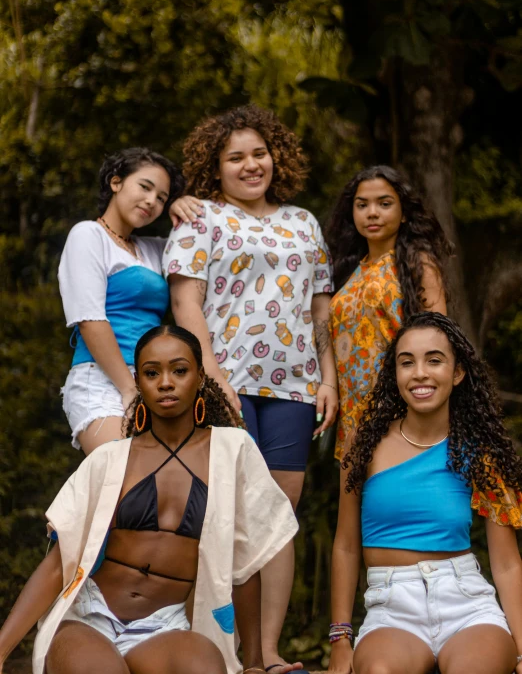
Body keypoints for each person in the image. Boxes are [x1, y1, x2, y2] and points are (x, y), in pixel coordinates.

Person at [0, 325, 298, 674]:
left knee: (204, 667)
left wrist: (255, 666)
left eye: (180, 370)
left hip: (163, 627)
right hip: (89, 621)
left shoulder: (233, 450)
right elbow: (57, 564)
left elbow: (245, 566)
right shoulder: (108, 460)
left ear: (200, 377)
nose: (166, 382)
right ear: (139, 382)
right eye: (152, 373)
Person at [164, 104, 338, 673]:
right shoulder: (200, 219)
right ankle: (227, 652)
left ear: (275, 156)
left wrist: (328, 376)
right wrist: (207, 370)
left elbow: (319, 307)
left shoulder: (304, 222)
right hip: (227, 383)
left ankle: (269, 652)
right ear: (216, 166)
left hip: (293, 387)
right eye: (235, 156)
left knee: (280, 517)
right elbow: (186, 301)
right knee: (232, 516)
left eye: (258, 153)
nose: (250, 164)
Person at [328, 311, 522, 674]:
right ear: (395, 374)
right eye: (407, 362)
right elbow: (345, 544)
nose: (419, 373)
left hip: (465, 604)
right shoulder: (364, 443)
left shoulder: (480, 450)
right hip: (391, 610)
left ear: (458, 372)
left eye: (434, 360)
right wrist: (340, 638)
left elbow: (507, 562)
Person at [58, 148, 184, 454]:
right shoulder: (88, 235)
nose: (152, 201)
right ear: (116, 182)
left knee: (164, 489)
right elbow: (90, 320)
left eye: (162, 197)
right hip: (102, 378)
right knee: (123, 476)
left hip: (154, 381)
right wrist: (129, 390)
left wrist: (183, 207)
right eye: (145, 187)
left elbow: (202, 248)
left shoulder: (154, 249)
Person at [325, 165, 452, 459]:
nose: (372, 212)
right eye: (362, 205)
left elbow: (439, 340)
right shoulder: (347, 270)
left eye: (384, 203)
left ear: (404, 212)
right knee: (363, 499)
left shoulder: (418, 264)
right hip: (354, 408)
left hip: (402, 402)